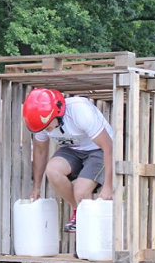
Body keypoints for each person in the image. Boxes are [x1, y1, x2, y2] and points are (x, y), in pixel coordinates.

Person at [23, 88, 114, 233]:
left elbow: (108, 147)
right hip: (72, 149)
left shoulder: (80, 111)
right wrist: (36, 187)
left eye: (48, 127)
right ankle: (79, 211)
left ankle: (90, 236)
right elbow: (40, 151)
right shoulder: (41, 121)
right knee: (52, 170)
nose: (47, 131)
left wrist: (108, 186)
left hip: (98, 149)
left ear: (57, 113)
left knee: (81, 191)